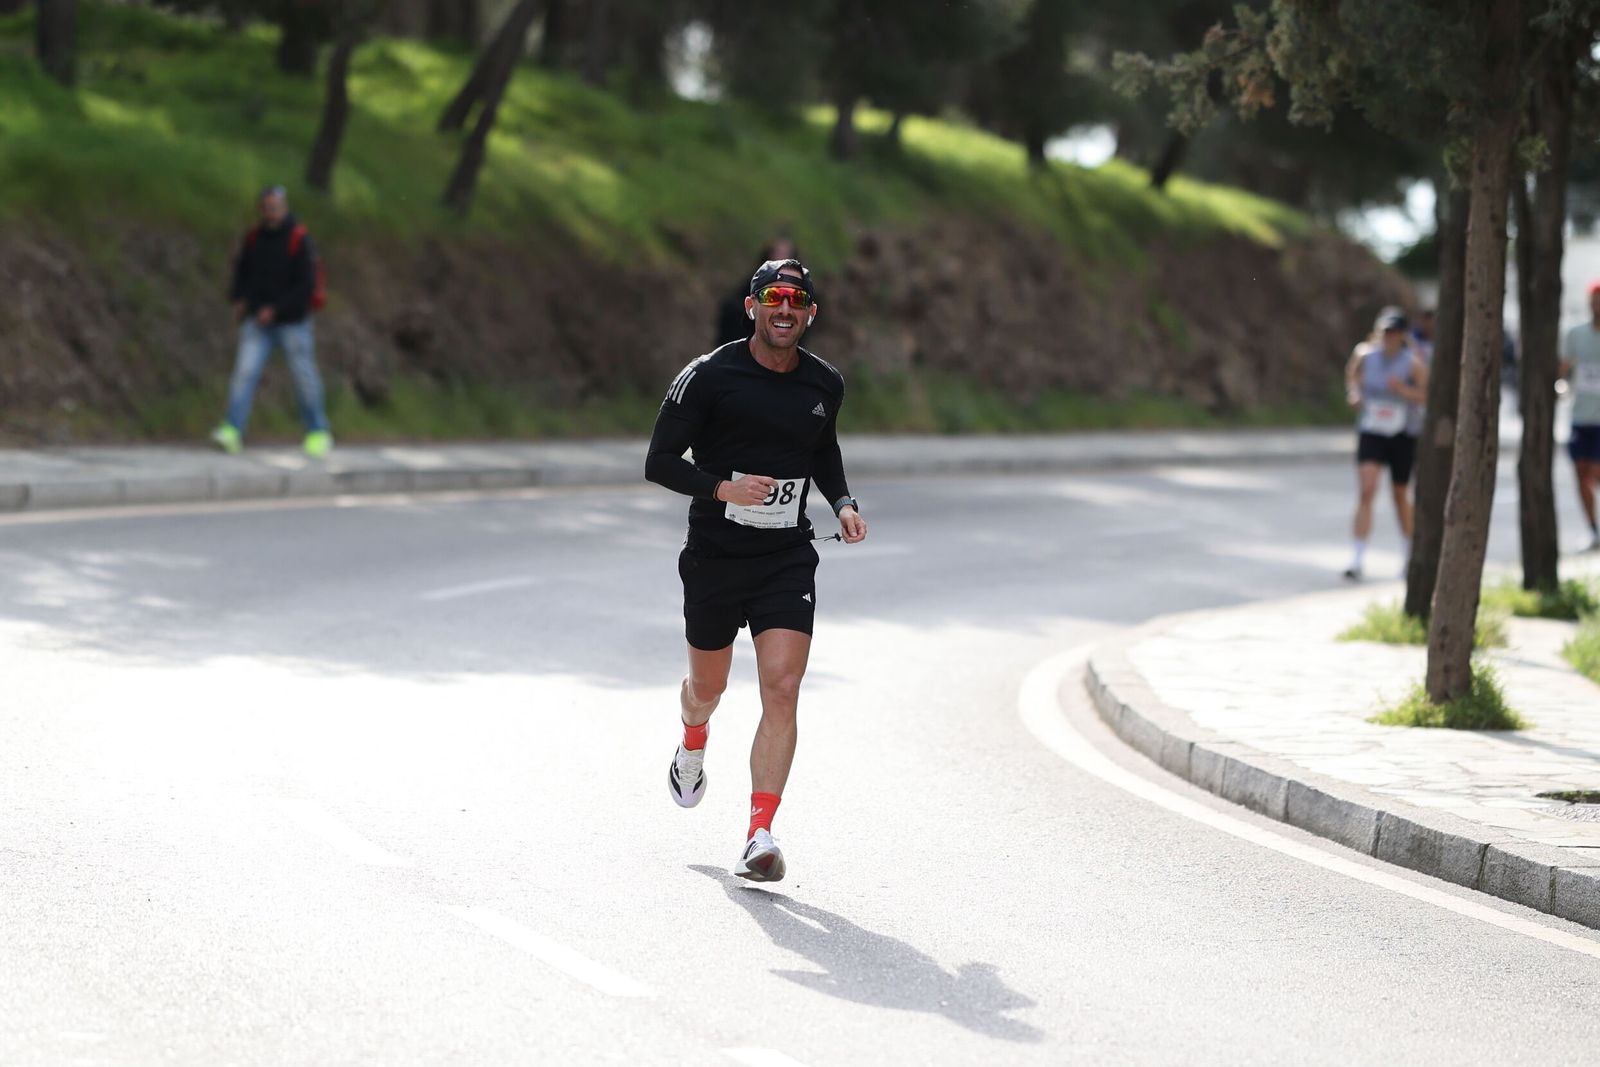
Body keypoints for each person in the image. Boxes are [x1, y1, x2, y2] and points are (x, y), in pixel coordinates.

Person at [647, 257, 867, 882]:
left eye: (796, 300)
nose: (784, 308)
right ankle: (692, 740)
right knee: (707, 689)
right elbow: (658, 462)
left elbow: (822, 449)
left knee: (782, 684)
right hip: (716, 555)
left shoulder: (825, 384)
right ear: (752, 307)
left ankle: (759, 833)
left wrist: (843, 502)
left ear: (810, 315)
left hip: (785, 555)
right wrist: (721, 489)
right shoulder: (710, 377)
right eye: (773, 297)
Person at [211, 185, 333, 458]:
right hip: (258, 322)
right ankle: (231, 430)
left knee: (304, 378)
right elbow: (242, 271)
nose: (271, 211)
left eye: (275, 206)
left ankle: (317, 431)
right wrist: (239, 298)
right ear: (261, 208)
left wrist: (277, 310)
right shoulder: (254, 238)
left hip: (293, 323)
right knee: (244, 374)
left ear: (284, 206)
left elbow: (306, 285)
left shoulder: (299, 239)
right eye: (266, 207)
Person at [1343, 307, 1429, 580]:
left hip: (1402, 432)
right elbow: (1353, 377)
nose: (1389, 336)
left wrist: (1403, 390)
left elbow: (1425, 395)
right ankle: (1357, 557)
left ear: (1402, 335)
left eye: (1394, 332)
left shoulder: (1412, 361)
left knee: (1399, 494)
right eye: (1385, 331)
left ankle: (1408, 551)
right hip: (1372, 429)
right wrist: (1355, 394)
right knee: (1366, 491)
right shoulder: (1365, 355)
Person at [1559, 282, 1600, 551]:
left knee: (1595, 472)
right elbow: (1563, 368)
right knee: (1581, 473)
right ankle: (1593, 529)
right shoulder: (1575, 333)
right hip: (1580, 416)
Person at [713, 238, 796, 349]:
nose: (781, 259)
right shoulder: (756, 280)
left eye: (786, 255)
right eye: (778, 253)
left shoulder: (797, 289)